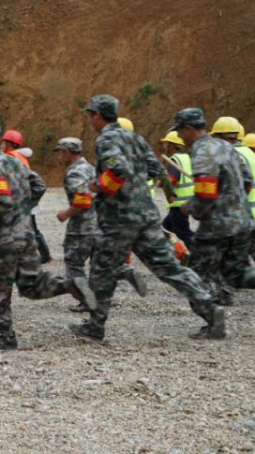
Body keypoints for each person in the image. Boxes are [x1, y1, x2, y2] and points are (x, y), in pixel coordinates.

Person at [70, 96, 224, 342]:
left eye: (90, 115)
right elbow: (156, 168)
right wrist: (160, 190)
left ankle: (95, 327)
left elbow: (117, 170)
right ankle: (212, 311)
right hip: (146, 214)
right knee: (168, 267)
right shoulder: (135, 138)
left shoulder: (106, 139)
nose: (90, 120)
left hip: (119, 218)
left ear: (97, 115)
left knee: (102, 269)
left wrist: (97, 186)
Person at [0, 124, 95, 350]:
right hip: (25, 233)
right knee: (31, 285)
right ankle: (71, 284)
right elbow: (39, 185)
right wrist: (24, 208)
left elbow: (1, 200)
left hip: (3, 238)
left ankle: (7, 337)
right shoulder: (15, 162)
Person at [53, 138, 148, 312]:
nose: (58, 156)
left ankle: (86, 301)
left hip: (81, 228)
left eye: (59, 152)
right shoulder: (91, 168)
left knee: (73, 264)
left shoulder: (74, 172)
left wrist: (65, 214)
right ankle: (124, 270)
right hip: (100, 223)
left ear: (67, 152)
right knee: (100, 263)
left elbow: (82, 200)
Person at [174, 109, 255, 305]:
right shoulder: (226, 147)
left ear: (188, 129)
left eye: (180, 131)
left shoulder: (203, 151)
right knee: (236, 275)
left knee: (197, 274)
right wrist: (233, 203)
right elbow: (247, 181)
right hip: (243, 221)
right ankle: (220, 299)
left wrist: (189, 208)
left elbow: (205, 194)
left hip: (217, 227)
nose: (179, 136)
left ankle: (213, 317)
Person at [2, 129, 52, 263]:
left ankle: (42, 256)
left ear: (8, 144)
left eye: (3, 142)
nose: (1, 145)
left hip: (20, 199)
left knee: (24, 229)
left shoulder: (11, 158)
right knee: (31, 228)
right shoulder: (19, 156)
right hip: (25, 197)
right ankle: (45, 256)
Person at [159, 131, 195, 248]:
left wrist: (161, 181)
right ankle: (175, 253)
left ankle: (201, 253)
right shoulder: (187, 157)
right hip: (186, 202)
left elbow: (172, 180)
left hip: (178, 204)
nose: (164, 146)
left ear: (171, 145)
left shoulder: (175, 160)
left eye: (166, 144)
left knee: (184, 233)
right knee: (164, 228)